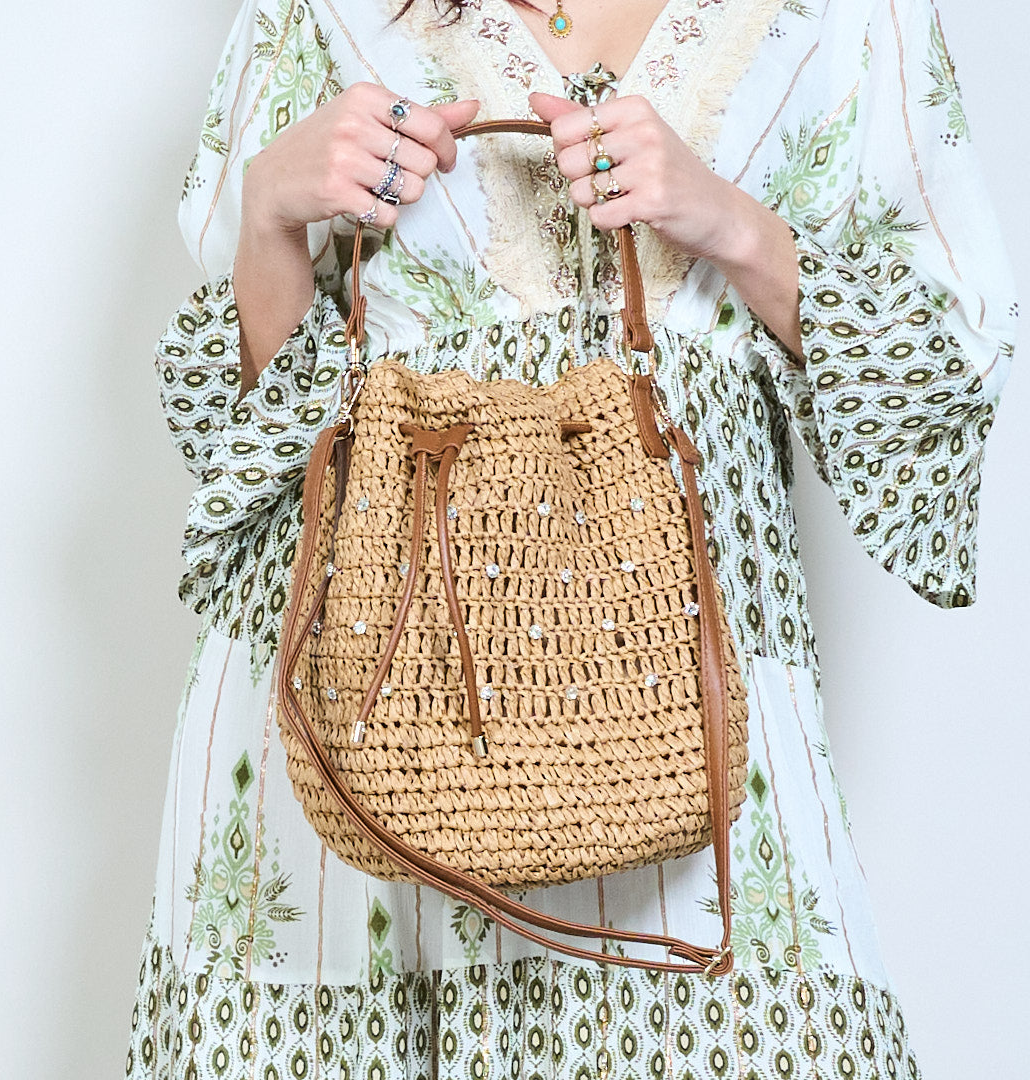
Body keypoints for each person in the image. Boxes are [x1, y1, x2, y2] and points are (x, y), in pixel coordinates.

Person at [127, 0, 1016, 1076]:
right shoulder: (315, 12)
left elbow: (944, 371)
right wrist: (270, 213)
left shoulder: (847, 16)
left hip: (684, 674)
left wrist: (732, 222)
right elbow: (247, 440)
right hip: (372, 684)